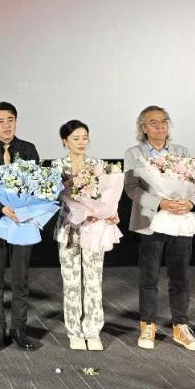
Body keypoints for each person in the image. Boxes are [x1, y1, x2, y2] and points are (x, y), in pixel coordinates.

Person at [124, 105, 195, 352]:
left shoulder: (182, 152)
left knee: (180, 276)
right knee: (149, 277)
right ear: (143, 127)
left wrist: (191, 203)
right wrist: (160, 202)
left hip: (180, 220)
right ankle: (148, 324)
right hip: (150, 222)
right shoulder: (133, 153)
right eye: (153, 122)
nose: (159, 126)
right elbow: (132, 188)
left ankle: (181, 325)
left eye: (163, 121)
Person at [0, 102, 39, 350]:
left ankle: (19, 328)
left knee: (21, 278)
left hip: (22, 222)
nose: (6, 125)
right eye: (0, 121)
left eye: (10, 120)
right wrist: (1, 208)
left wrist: (21, 209)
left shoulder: (28, 149)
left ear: (16, 121)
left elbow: (36, 185)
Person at [52, 120, 117, 351]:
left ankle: (92, 330)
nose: (81, 142)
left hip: (94, 228)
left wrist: (107, 213)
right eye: (76, 138)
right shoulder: (57, 166)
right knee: (71, 282)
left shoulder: (98, 165)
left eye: (85, 138)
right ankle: (74, 332)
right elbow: (53, 197)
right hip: (68, 227)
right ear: (65, 141)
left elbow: (109, 194)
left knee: (93, 280)